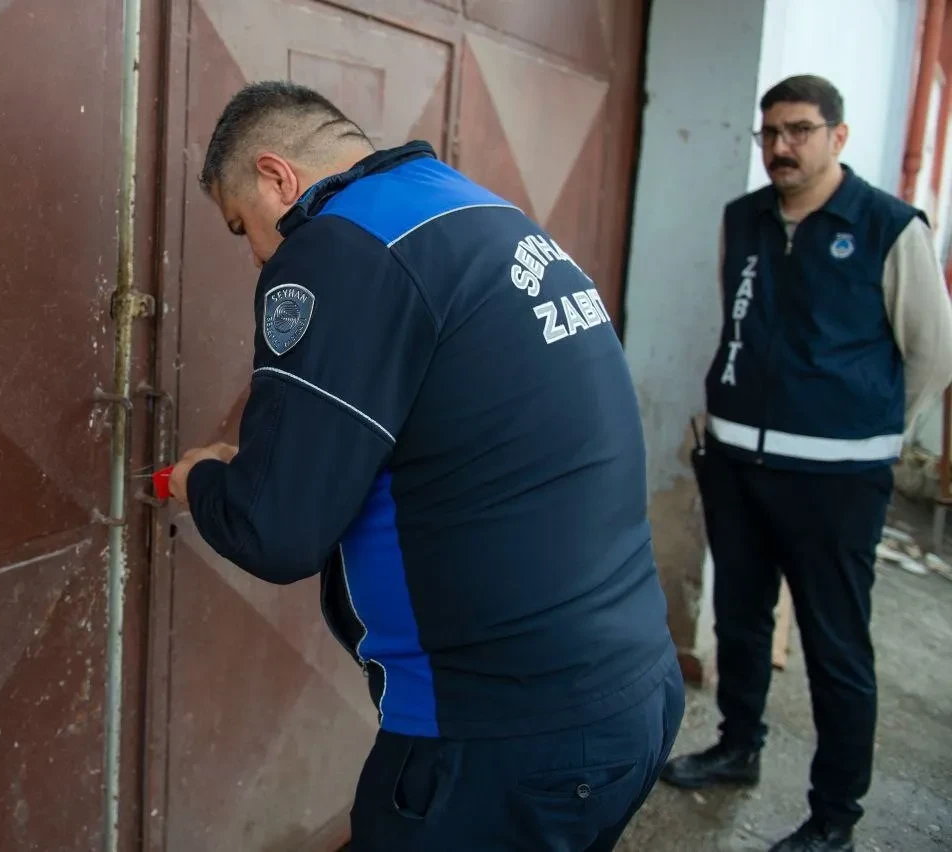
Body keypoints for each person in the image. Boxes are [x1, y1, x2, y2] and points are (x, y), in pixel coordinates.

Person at [167, 80, 684, 851]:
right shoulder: (471, 208)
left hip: (500, 736)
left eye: (244, 226)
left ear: (278, 176)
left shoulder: (336, 245)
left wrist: (198, 478)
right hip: (629, 694)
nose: (254, 255)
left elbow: (273, 529)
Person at [660, 75, 952, 852]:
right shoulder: (744, 218)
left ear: (838, 137)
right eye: (770, 134)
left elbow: (931, 354)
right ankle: (737, 746)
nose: (781, 148)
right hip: (736, 464)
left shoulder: (890, 227)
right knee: (741, 620)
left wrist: (863, 427)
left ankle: (834, 817)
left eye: (799, 131)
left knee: (836, 647)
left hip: (836, 480)